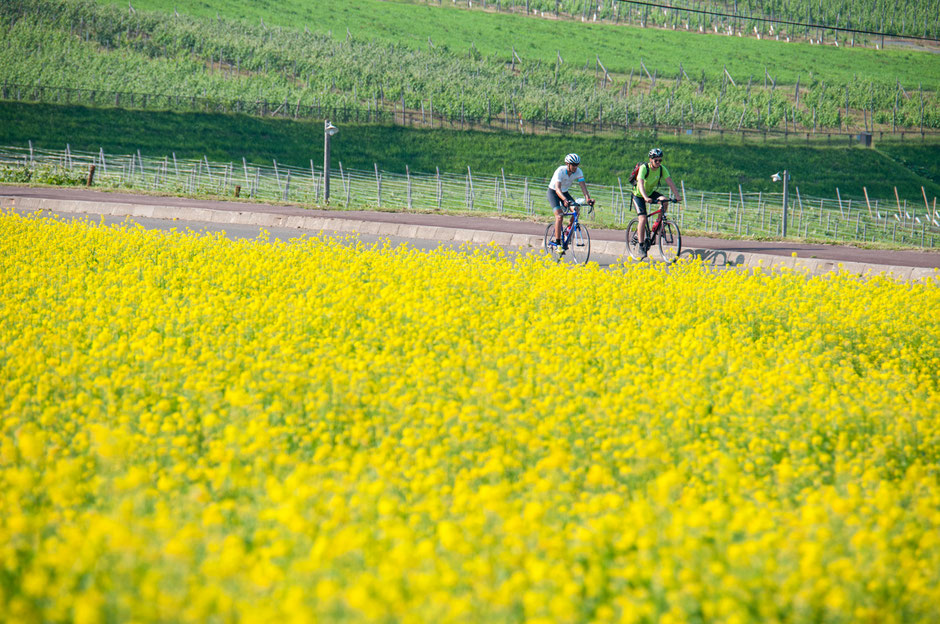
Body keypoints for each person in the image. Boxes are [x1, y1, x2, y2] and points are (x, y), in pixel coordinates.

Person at [632, 148, 682, 259]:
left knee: (664, 200)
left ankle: (657, 225)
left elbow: (670, 182)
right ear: (651, 160)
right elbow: (640, 183)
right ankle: (641, 247)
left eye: (660, 160)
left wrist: (677, 196)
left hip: (650, 193)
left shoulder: (662, 169)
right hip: (639, 195)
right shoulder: (644, 168)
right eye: (656, 160)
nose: (659, 163)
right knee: (643, 219)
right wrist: (645, 197)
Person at [547, 153, 595, 254]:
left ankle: (568, 230)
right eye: (573, 165)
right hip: (554, 192)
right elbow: (557, 189)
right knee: (559, 216)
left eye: (577, 165)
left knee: (576, 211)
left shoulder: (578, 171)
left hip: (564, 193)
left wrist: (588, 199)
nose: (575, 167)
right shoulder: (560, 171)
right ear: (567, 164)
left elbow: (583, 186)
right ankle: (558, 243)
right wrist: (564, 200)